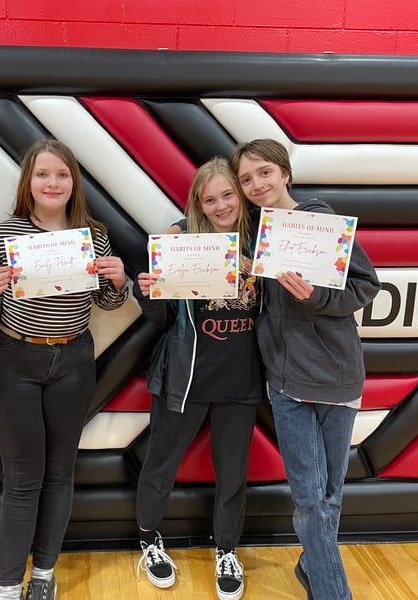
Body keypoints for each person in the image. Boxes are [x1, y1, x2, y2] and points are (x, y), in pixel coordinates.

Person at [0, 139, 129, 600]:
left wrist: (117, 282)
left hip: (74, 361)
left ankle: (42, 576)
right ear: (29, 183)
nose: (52, 183)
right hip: (15, 361)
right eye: (43, 174)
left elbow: (106, 303)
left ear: (73, 183)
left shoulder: (93, 235)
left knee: (61, 473)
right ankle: (6, 586)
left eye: (61, 175)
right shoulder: (5, 234)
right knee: (23, 479)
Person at [231, 139, 381, 600]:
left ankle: (311, 564)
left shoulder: (321, 222)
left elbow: (366, 286)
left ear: (285, 173)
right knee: (310, 497)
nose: (257, 185)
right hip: (285, 382)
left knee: (330, 494)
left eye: (264, 173)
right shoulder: (251, 235)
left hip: (336, 376)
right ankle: (333, 591)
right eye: (246, 179)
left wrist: (314, 296)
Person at [133, 158, 265, 600]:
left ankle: (226, 549)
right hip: (185, 376)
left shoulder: (264, 239)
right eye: (210, 199)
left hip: (242, 378)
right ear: (198, 204)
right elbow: (162, 316)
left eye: (228, 194)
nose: (221, 204)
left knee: (233, 474)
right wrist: (147, 292)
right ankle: (149, 537)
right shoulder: (181, 242)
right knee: (161, 464)